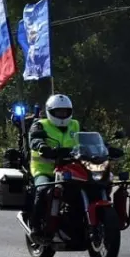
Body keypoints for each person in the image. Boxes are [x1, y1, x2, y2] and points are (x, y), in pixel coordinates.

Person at [28, 93, 81, 238]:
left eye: (65, 111)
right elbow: (34, 139)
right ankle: (36, 227)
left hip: (71, 169)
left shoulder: (75, 124)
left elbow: (86, 138)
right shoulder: (40, 124)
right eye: (58, 112)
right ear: (50, 111)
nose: (62, 114)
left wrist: (104, 146)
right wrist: (42, 146)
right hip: (45, 170)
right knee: (43, 189)